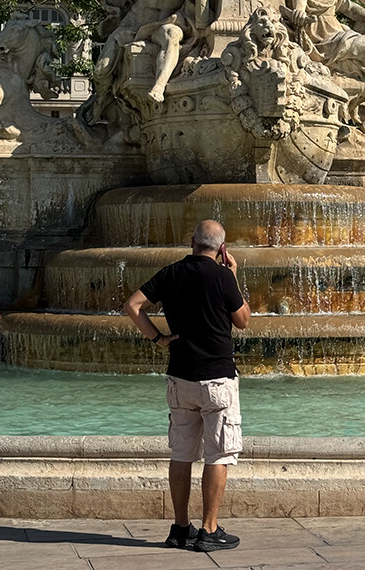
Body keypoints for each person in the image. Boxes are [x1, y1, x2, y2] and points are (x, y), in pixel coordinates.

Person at [123, 219, 250, 552]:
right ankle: (209, 531)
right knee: (218, 455)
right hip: (218, 379)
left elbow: (132, 306)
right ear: (221, 248)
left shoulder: (170, 273)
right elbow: (243, 320)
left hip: (180, 377)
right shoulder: (223, 276)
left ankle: (180, 529)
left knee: (180, 455)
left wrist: (158, 339)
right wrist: (233, 275)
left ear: (193, 242)